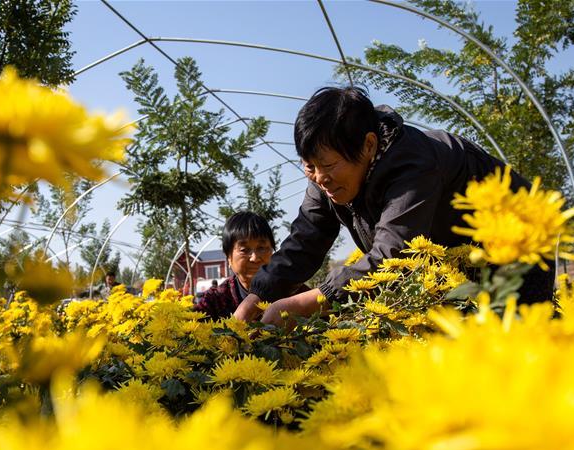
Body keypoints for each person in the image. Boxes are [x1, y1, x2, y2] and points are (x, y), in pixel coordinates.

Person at [234, 86, 554, 325]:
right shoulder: (327, 173)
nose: (319, 177)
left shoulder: (416, 164)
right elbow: (306, 239)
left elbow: (394, 253)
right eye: (308, 165)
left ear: (369, 145)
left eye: (327, 165)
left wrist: (315, 301)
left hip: (518, 249)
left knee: (515, 348)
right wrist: (259, 293)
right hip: (453, 265)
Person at [195, 211, 276, 320]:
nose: (254, 258)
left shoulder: (292, 294)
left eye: (261, 248)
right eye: (244, 250)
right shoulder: (214, 301)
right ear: (228, 257)